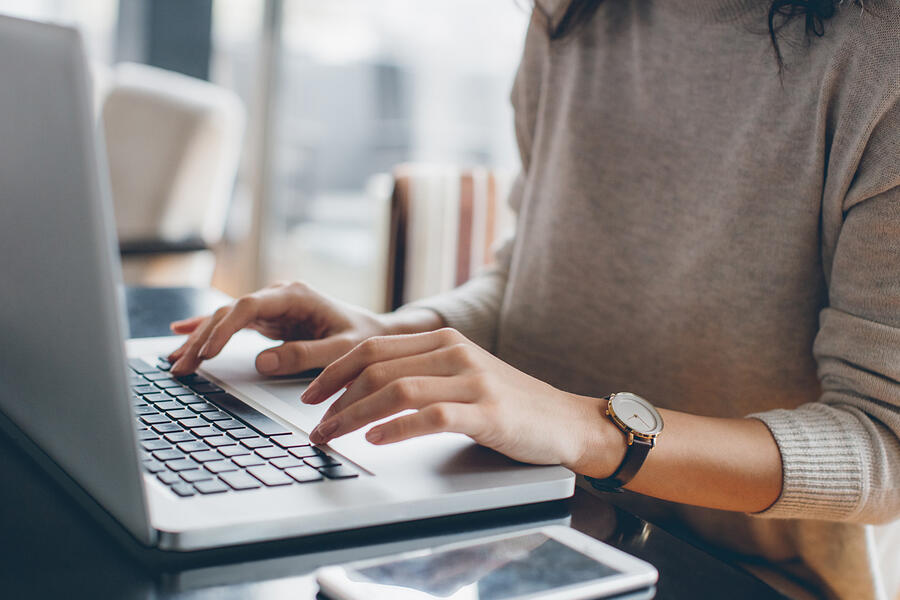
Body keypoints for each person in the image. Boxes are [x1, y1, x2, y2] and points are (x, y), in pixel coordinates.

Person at [168, 1, 900, 598]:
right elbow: (528, 277)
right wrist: (397, 334)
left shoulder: (880, 55)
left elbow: (883, 447)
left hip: (737, 577)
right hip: (521, 524)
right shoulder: (571, 13)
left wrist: (591, 430)